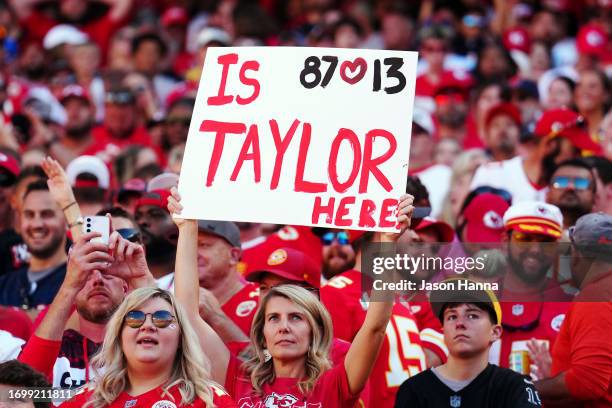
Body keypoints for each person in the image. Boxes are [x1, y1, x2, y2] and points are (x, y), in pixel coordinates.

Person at [168, 187, 416, 405]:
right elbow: (188, 313)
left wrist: (387, 242)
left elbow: (374, 327)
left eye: (296, 318)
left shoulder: (333, 385)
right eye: (273, 318)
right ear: (261, 331)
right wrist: (187, 227)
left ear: (315, 327)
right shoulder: (238, 377)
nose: (284, 327)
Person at [61, 287, 235, 407]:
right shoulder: (85, 401)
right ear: (119, 336)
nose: (148, 326)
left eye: (162, 318)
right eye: (134, 318)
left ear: (181, 338)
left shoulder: (208, 400)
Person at [395, 278, 543, 407]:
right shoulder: (413, 389)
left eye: (472, 315)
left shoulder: (516, 386)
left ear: (495, 332)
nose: (460, 323)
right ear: (443, 330)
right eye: (452, 316)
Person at [535, 213, 612, 407]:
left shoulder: (596, 296)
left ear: (576, 254)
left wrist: (521, 388)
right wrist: (556, 376)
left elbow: (587, 382)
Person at [471, 108, 601, 202]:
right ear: (550, 145)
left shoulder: (567, 194)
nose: (578, 158)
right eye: (575, 150)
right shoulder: (491, 175)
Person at [0, 180, 67, 309]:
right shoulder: (3, 286)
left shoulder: (81, 284)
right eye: (29, 215)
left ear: (66, 220)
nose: (37, 224)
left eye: (46, 214)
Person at [546, 159, 596, 234]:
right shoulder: (532, 234)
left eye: (581, 183)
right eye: (561, 181)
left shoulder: (605, 238)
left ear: (594, 196)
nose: (570, 187)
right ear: (548, 192)